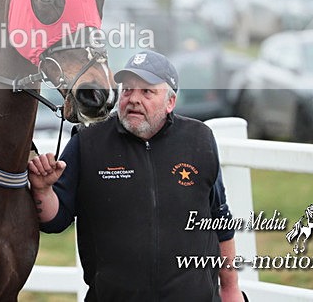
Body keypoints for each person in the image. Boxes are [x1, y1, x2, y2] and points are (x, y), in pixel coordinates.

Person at [28, 50, 245, 301]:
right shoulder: (88, 142)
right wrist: (43, 190)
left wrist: (229, 288)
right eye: (128, 90)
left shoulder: (199, 139)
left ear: (170, 102)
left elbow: (220, 220)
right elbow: (55, 221)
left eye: (147, 91)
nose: (133, 99)